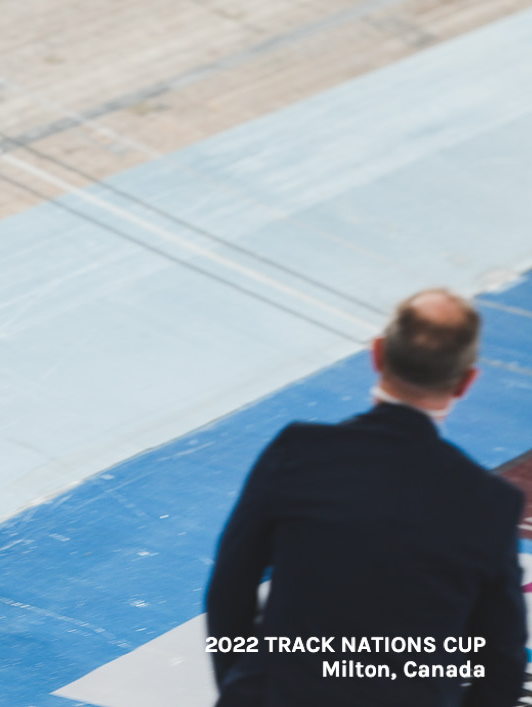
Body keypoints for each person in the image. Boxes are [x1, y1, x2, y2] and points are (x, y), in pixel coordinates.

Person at [206, 288, 527, 706]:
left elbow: (230, 588)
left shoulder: (298, 453)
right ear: (466, 382)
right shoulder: (490, 504)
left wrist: (244, 684)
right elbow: (500, 661)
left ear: (377, 354)